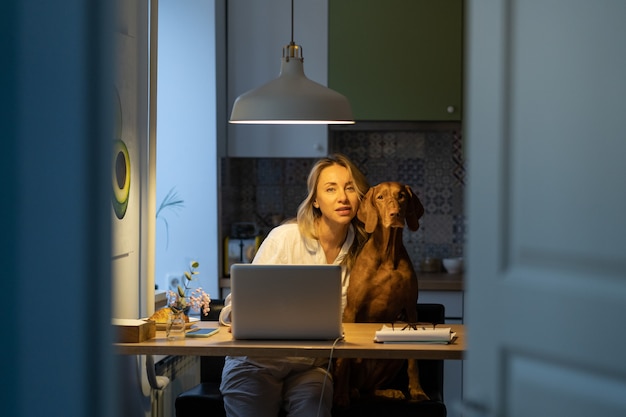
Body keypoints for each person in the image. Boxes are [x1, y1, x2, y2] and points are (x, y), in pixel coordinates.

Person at [219, 153, 370, 417]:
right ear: (315, 200)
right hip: (256, 362)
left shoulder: (364, 253)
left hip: (311, 365)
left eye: (349, 188)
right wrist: (239, 315)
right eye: (330, 189)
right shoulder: (285, 237)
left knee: (314, 409)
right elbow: (237, 304)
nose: (343, 198)